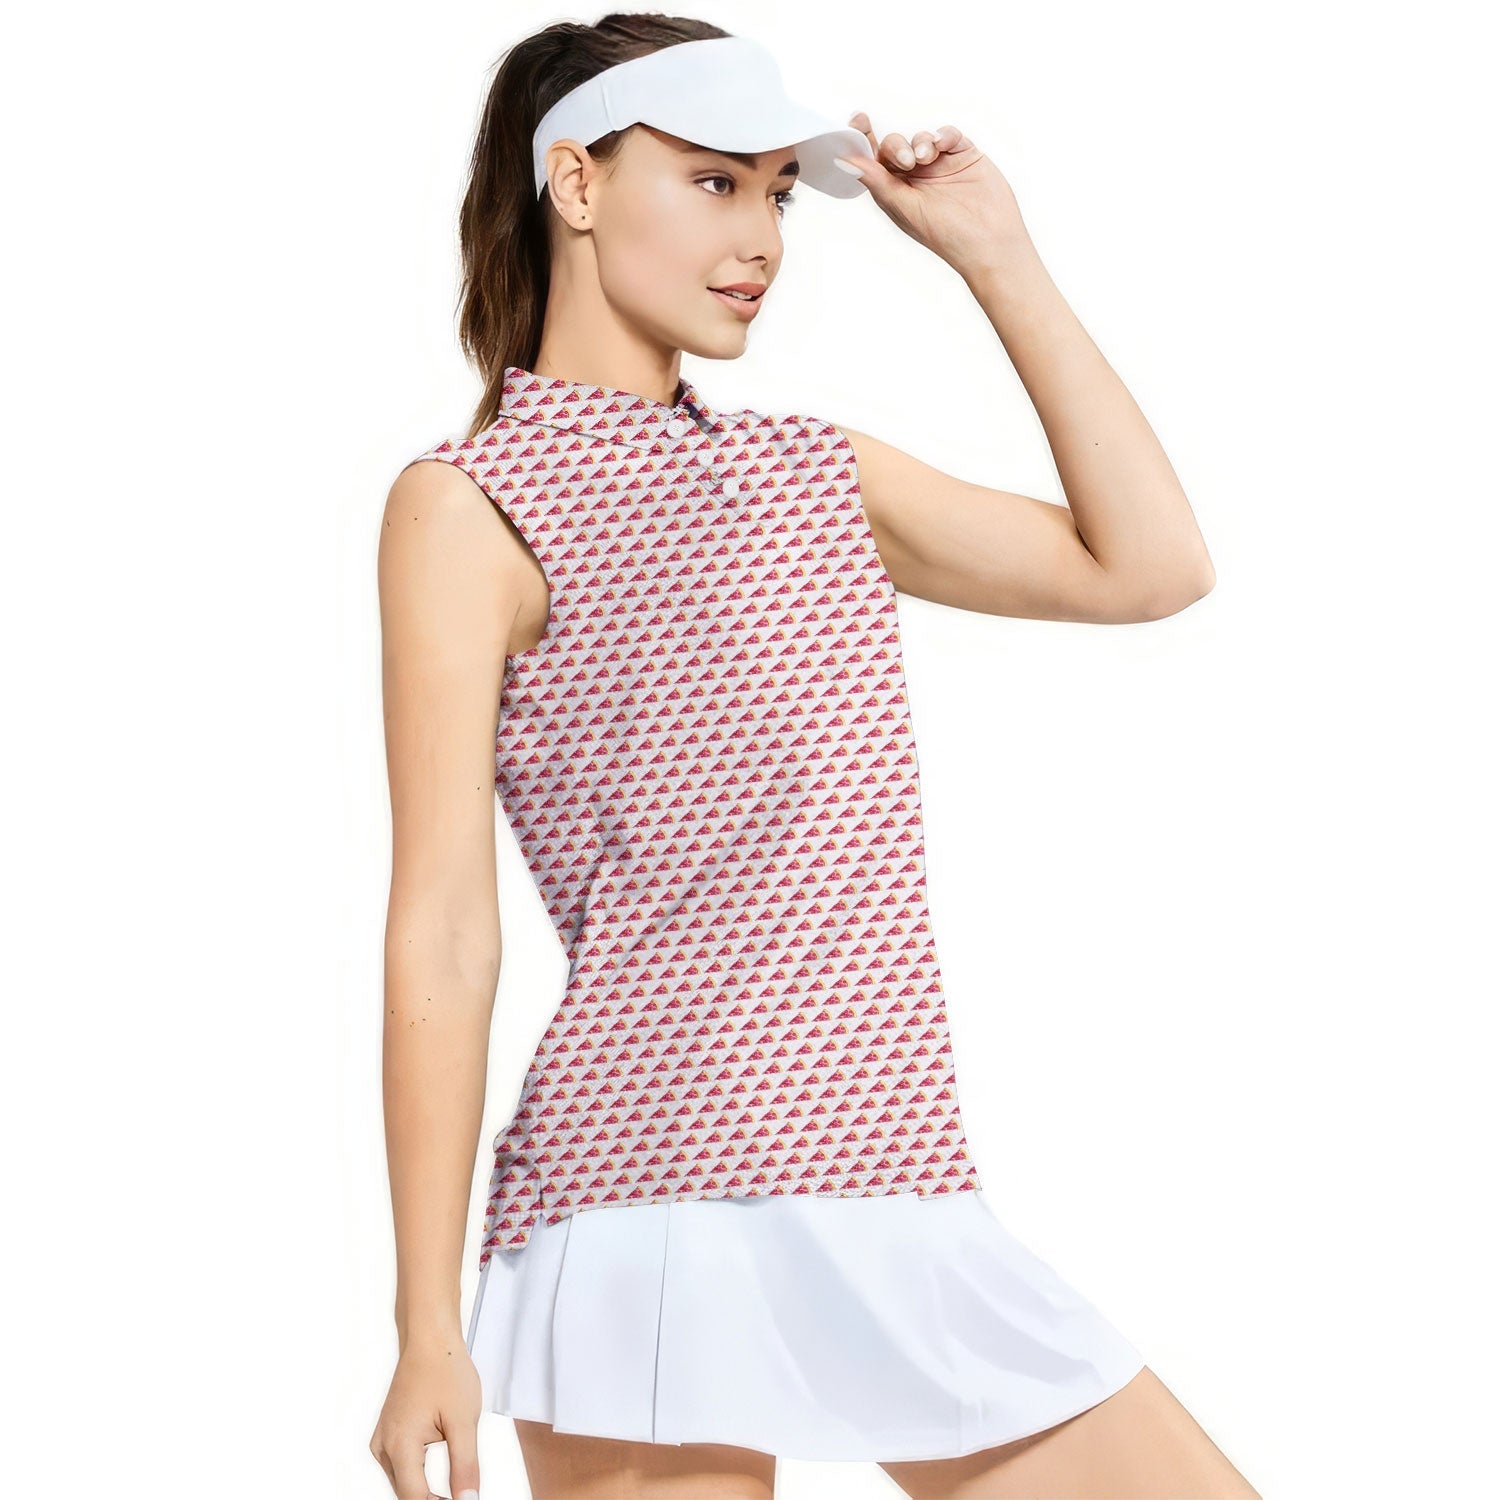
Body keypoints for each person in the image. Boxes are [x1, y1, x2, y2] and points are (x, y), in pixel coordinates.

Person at [370, 14, 1258, 1500]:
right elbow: (445, 932)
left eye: (779, 193)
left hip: (889, 1175)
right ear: (576, 183)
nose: (763, 239)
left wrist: (994, 255)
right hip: (642, 1196)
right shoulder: (467, 507)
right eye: (717, 182)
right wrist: (422, 1330)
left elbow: (1153, 566)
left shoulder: (816, 474)